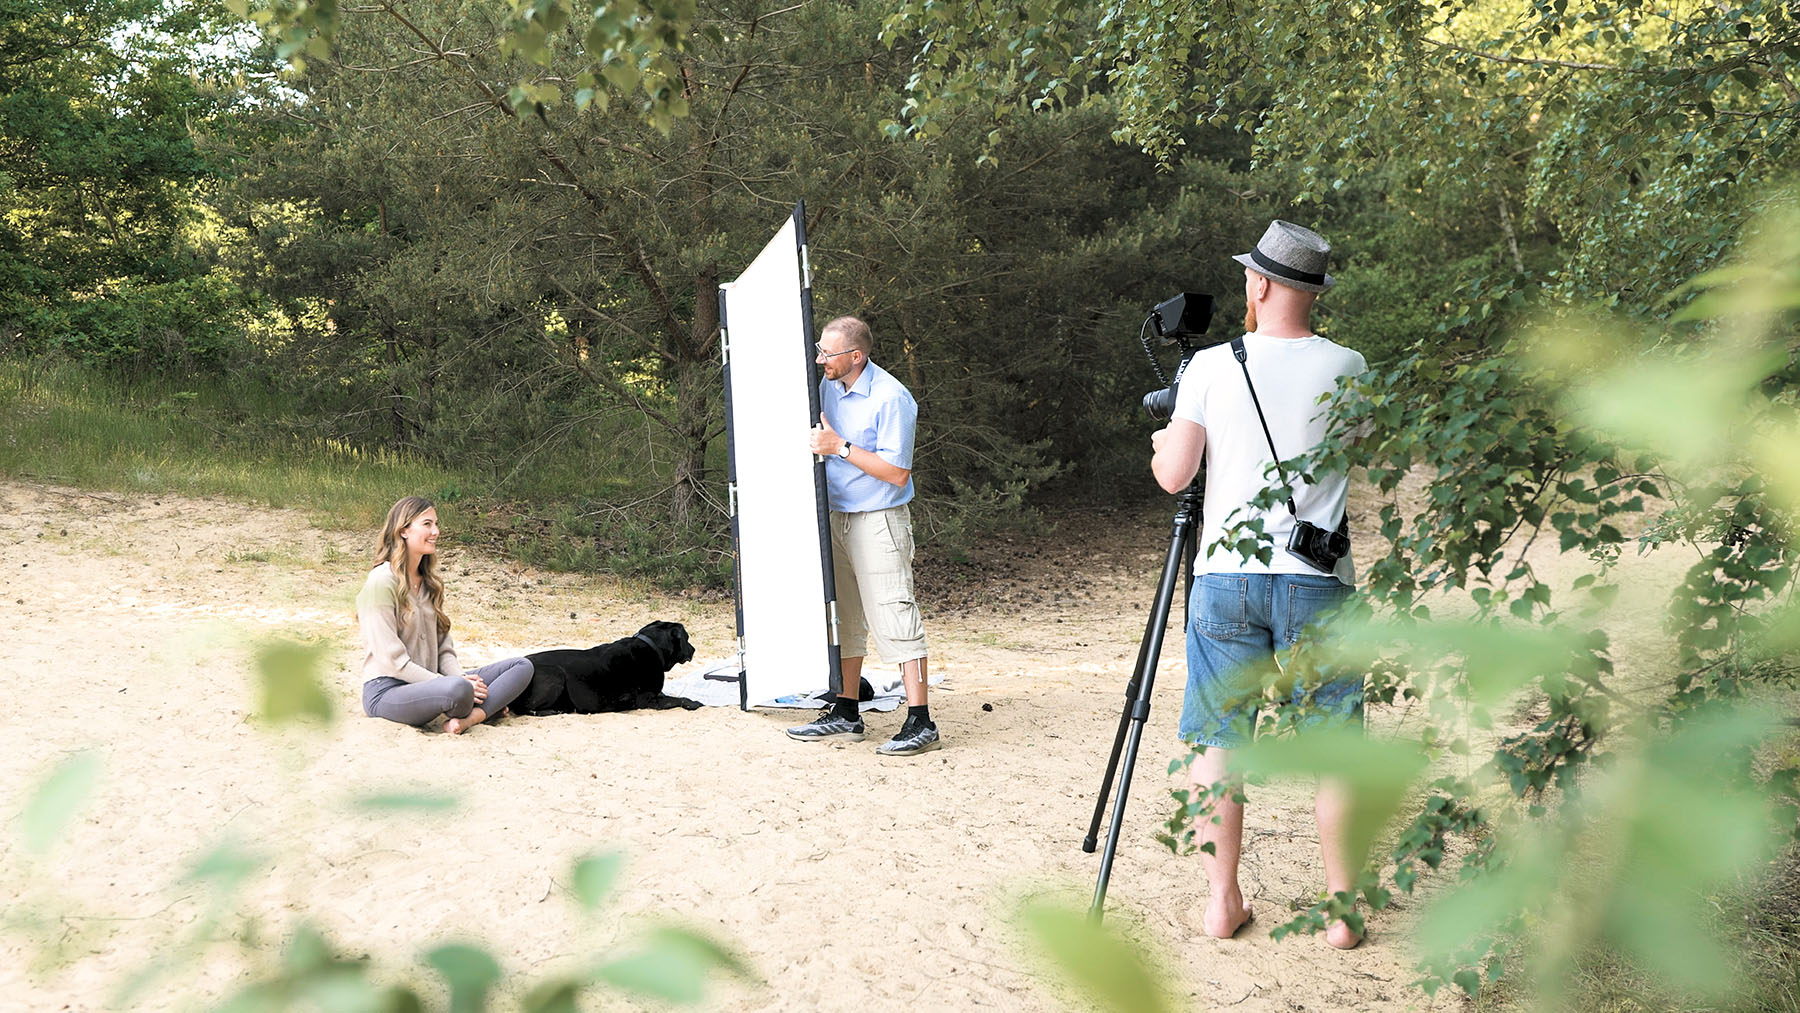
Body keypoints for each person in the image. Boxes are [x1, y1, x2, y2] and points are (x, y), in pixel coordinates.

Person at [1149, 220, 1369, 948]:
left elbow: (1175, 475)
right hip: (1320, 579)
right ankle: (1341, 914)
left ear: (1263, 284)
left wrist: (1164, 441)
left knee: (1221, 741)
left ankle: (1223, 902)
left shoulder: (1210, 367)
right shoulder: (1350, 365)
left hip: (1227, 578)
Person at [785, 315, 940, 756]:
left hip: (879, 520)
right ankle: (846, 711)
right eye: (819, 350)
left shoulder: (892, 398)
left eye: (827, 354)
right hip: (835, 518)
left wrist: (842, 448)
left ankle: (920, 721)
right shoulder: (827, 387)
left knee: (895, 614)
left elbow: (897, 472)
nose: (820, 360)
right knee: (845, 618)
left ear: (856, 356)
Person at [356, 496, 534, 734]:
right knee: (458, 691)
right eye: (427, 524)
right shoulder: (381, 581)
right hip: (388, 690)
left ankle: (469, 718)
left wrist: (460, 676)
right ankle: (482, 706)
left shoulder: (429, 584)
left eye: (436, 524)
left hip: (434, 684)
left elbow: (444, 650)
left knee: (522, 666)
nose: (436, 531)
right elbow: (393, 663)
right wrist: (455, 684)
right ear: (404, 530)